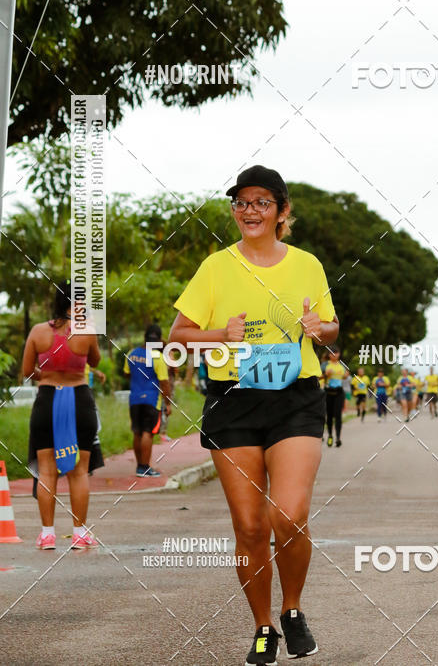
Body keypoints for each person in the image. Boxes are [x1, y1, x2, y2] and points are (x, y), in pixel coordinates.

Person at [168, 165, 339, 665]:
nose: (250, 211)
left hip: (296, 399)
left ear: (282, 212)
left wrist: (319, 329)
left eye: (262, 202)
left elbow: (331, 329)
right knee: (247, 526)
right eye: (242, 202)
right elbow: (179, 334)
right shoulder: (216, 267)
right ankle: (263, 626)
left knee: (288, 514)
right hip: (233, 400)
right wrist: (220, 335)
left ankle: (293, 609)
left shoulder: (307, 265)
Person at [21, 280, 102, 550]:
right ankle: (79, 534)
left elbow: (26, 371)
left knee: (47, 471)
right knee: (79, 472)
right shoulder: (87, 331)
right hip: (79, 400)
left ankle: (47, 535)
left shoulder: (38, 331)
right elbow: (95, 361)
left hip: (47, 399)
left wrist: (45, 374)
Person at [124, 324, 171, 476]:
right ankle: (145, 467)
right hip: (152, 399)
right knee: (148, 433)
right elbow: (164, 383)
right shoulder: (158, 358)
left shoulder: (131, 353)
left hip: (134, 399)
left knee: (137, 432)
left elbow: (126, 373)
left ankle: (140, 466)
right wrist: (168, 403)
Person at [324, 346, 345, 447]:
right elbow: (318, 375)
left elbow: (345, 376)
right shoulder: (325, 364)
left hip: (339, 393)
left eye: (336, 353)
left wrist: (346, 376)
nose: (334, 355)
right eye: (332, 353)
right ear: (329, 355)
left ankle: (338, 438)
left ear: (339, 354)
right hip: (328, 392)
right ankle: (330, 436)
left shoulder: (342, 365)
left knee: (338, 416)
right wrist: (325, 374)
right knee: (329, 416)